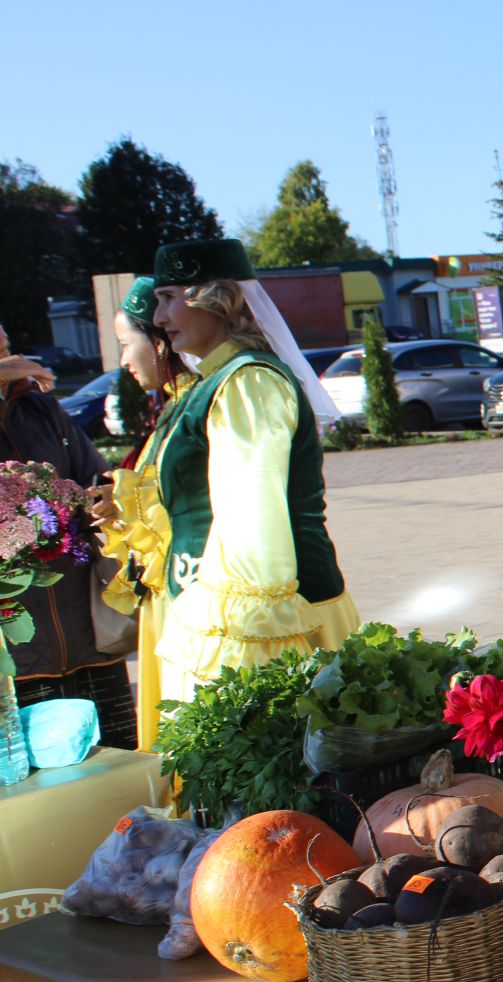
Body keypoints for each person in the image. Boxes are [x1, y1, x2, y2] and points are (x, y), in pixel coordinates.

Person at [130, 238, 360, 715]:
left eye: (168, 297)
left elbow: (253, 519)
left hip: (265, 619)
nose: (157, 318)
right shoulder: (214, 383)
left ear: (216, 298)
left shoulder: (249, 381)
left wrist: (249, 635)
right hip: (211, 611)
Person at [0, 322, 139, 750]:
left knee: (117, 753)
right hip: (20, 640)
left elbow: (89, 476)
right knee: (43, 766)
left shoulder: (42, 409)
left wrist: (99, 498)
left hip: (87, 624)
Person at [91, 277, 200, 747]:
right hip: (165, 597)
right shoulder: (172, 409)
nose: (122, 361)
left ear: (158, 342)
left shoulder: (196, 408)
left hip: (188, 592)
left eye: (124, 344)